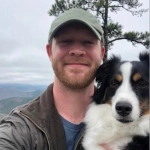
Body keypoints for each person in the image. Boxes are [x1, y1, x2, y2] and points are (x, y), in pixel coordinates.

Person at [0, 8, 105, 150]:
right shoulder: (21, 127)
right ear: (49, 52)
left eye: (88, 42)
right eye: (66, 41)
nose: (77, 51)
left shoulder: (127, 122)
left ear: (102, 53)